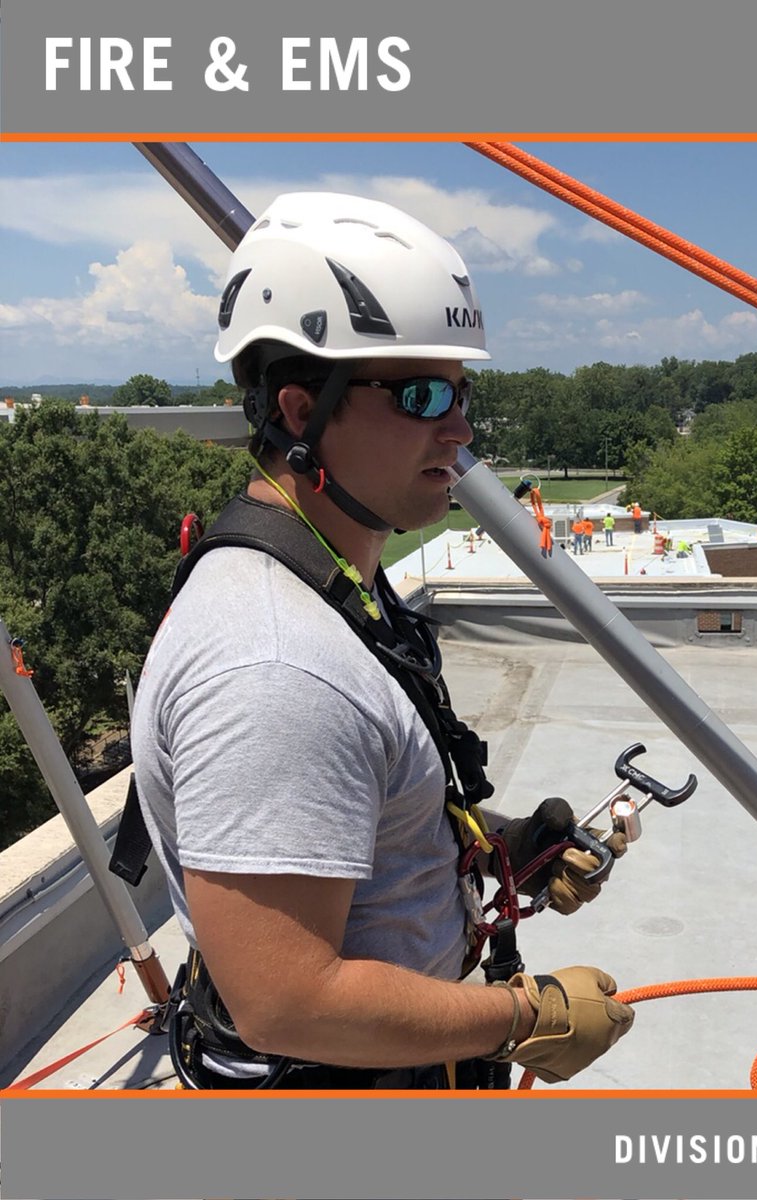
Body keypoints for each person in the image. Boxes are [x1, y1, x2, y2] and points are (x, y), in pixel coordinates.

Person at [130, 192, 634, 1090]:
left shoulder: (334, 584)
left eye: (462, 390)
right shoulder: (272, 662)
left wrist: (497, 849)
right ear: (299, 410)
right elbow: (286, 998)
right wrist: (528, 1016)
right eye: (422, 394)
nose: (461, 427)